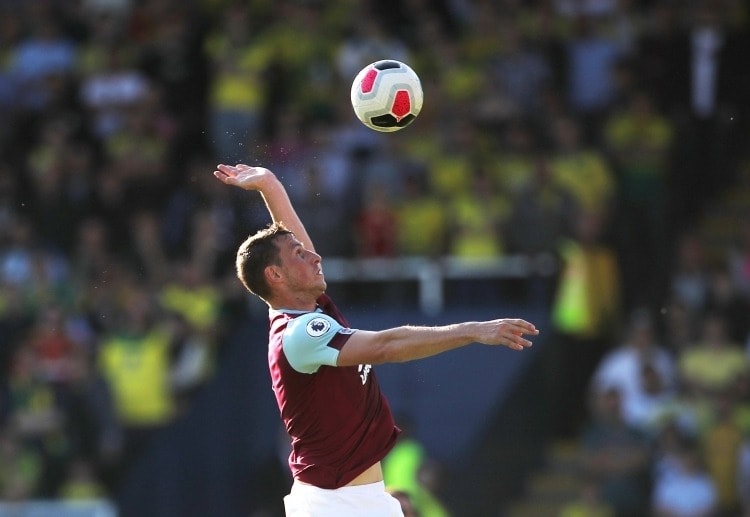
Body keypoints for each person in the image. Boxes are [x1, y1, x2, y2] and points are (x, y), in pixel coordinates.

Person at [212, 164, 539, 516]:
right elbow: (386, 346)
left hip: (357, 498)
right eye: (299, 255)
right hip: (335, 503)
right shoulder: (300, 333)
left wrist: (270, 185)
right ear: (276, 276)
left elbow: (293, 241)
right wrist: (475, 330)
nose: (314, 255)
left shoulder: (307, 311)